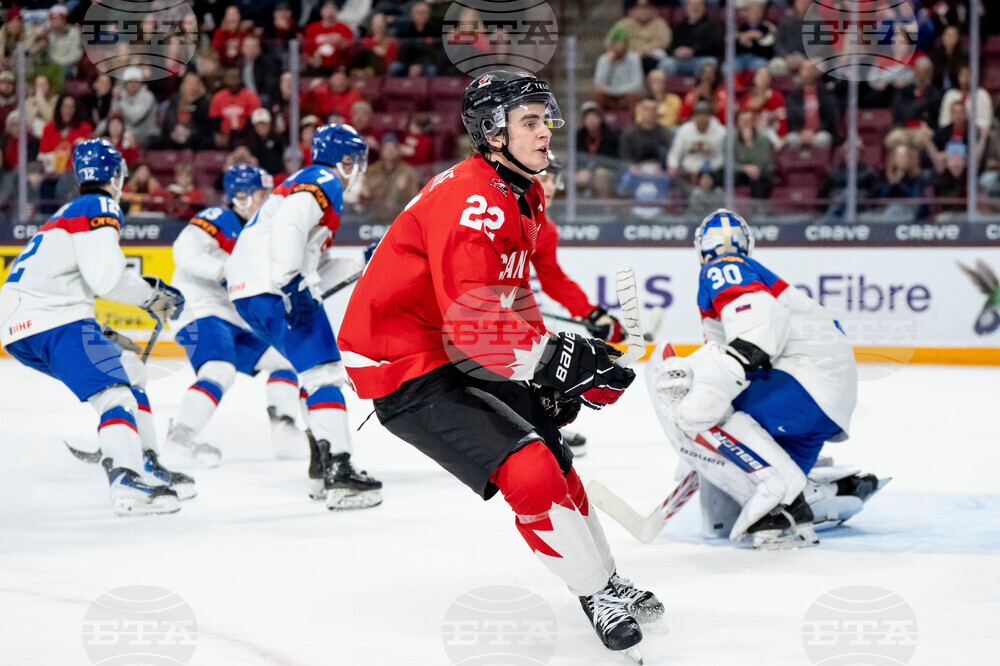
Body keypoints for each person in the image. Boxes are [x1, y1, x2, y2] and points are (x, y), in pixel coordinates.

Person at [336, 70, 662, 663]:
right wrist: (554, 361)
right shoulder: (474, 203)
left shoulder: (520, 191)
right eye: (530, 122)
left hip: (452, 347)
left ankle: (604, 582)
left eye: (546, 119)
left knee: (555, 454)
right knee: (531, 469)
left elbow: (512, 296)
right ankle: (594, 592)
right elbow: (473, 322)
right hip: (405, 365)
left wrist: (554, 367)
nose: (546, 133)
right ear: (492, 133)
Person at [645, 209, 885, 549]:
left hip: (804, 386)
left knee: (692, 400)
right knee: (724, 415)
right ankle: (793, 504)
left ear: (702, 247)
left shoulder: (721, 267)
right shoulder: (755, 272)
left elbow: (757, 318)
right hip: (823, 399)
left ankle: (777, 493)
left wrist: (723, 378)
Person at [0, 139, 191, 515]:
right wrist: (154, 296)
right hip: (52, 319)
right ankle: (126, 478)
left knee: (130, 367)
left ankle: (143, 459)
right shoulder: (100, 205)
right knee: (115, 394)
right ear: (116, 175)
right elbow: (107, 279)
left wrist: (149, 291)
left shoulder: (71, 210)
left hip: (23, 325)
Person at [225, 124, 382, 511]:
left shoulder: (312, 183)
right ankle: (339, 471)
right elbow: (289, 225)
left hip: (253, 290)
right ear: (346, 160)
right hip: (273, 286)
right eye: (357, 161)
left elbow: (317, 262)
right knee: (325, 374)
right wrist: (290, 283)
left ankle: (322, 465)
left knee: (315, 375)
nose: (359, 169)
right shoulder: (324, 178)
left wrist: (365, 261)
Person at [168, 164, 305, 465]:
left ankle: (284, 431)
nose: (267, 199)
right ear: (239, 196)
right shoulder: (217, 217)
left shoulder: (262, 232)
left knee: (285, 362)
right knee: (219, 370)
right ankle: (180, 436)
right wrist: (223, 270)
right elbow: (184, 251)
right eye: (260, 193)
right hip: (199, 308)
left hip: (234, 316)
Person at [532, 153, 625, 456]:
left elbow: (553, 278)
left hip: (496, 306)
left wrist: (591, 312)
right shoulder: (504, 211)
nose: (548, 185)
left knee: (537, 353)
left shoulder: (545, 229)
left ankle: (537, 423)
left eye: (553, 180)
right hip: (468, 302)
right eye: (542, 177)